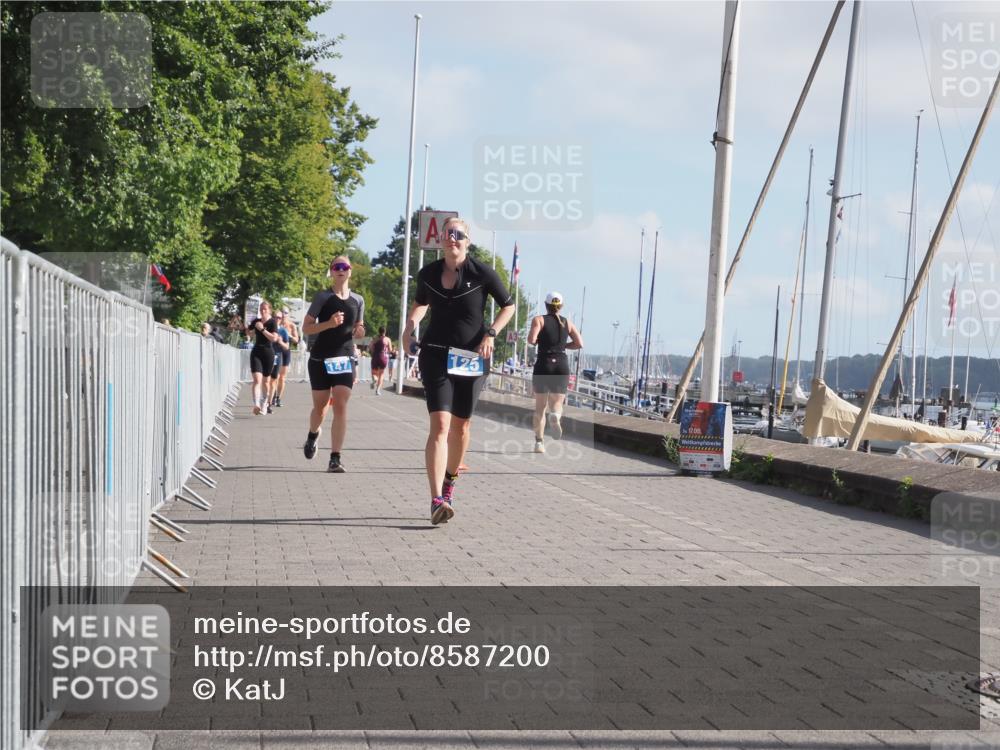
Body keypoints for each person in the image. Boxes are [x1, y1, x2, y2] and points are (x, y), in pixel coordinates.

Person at [403, 217, 515, 525]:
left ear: (467, 241)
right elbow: (420, 304)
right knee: (440, 425)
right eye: (447, 234)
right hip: (436, 354)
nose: (452, 238)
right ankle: (435, 499)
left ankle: (449, 484)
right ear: (440, 240)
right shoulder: (428, 273)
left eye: (458, 234)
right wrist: (409, 328)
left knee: (461, 428)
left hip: (472, 358)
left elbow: (509, 305)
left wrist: (491, 333)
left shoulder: (482, 272)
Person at [301, 256, 365, 473]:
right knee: (320, 407)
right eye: (336, 267)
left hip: (344, 357)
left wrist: (360, 331)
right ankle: (312, 434)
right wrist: (328, 323)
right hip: (320, 357)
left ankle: (335, 458)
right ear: (331, 271)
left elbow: (359, 326)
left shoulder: (358, 300)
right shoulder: (323, 297)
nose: (341, 270)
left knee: (340, 403)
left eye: (344, 267)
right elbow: (306, 328)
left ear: (350, 271)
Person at [527, 291, 583, 453]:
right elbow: (580, 343)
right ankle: (556, 416)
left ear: (546, 305)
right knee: (557, 404)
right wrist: (564, 346)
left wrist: (541, 341)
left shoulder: (539, 320)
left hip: (544, 364)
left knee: (540, 408)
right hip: (561, 364)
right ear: (561, 306)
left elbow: (531, 340)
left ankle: (539, 443)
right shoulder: (568, 323)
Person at [248, 300, 282, 415]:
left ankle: (264, 403)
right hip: (256, 352)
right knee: (257, 379)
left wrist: (262, 329)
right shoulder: (256, 321)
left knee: (266, 382)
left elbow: (274, 339)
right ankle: (256, 404)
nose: (262, 311)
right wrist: (249, 328)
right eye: (261, 309)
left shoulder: (272, 322)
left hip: (268, 353)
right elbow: (249, 333)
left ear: (269, 310)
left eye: (265, 309)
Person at [273, 309, 298, 407]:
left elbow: (297, 340)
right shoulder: (274, 324)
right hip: (276, 350)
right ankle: (273, 396)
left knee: (282, 377)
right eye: (282, 312)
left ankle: (278, 398)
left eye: (286, 312)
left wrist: (289, 335)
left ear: (288, 314)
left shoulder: (291, 325)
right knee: (275, 376)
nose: (284, 314)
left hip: (285, 351)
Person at [370, 326, 393, 395]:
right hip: (383, 357)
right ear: (385, 332)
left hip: (375, 356)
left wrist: (373, 351)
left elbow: (371, 347)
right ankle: (378, 390)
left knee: (374, 373)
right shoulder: (387, 339)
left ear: (378, 331)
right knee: (381, 374)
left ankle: (375, 379)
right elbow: (390, 350)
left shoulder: (375, 338)